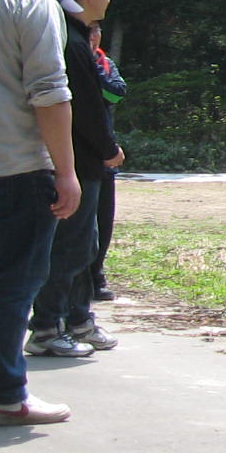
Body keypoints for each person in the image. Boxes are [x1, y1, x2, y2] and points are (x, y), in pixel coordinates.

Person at [0, 0, 83, 424]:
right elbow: (49, 93)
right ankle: (7, 394)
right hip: (16, 167)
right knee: (14, 283)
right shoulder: (32, 0)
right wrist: (66, 171)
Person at [25, 0, 121, 357]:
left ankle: (79, 318)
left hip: (84, 163)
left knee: (85, 245)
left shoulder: (77, 36)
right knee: (70, 247)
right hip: (78, 162)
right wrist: (108, 148)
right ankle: (47, 326)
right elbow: (83, 107)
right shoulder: (72, 41)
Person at [88, 23, 126, 301]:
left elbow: (115, 93)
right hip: (76, 152)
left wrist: (94, 68)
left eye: (96, 31)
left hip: (104, 153)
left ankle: (96, 274)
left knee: (103, 217)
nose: (93, 36)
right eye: (88, 31)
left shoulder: (105, 63)